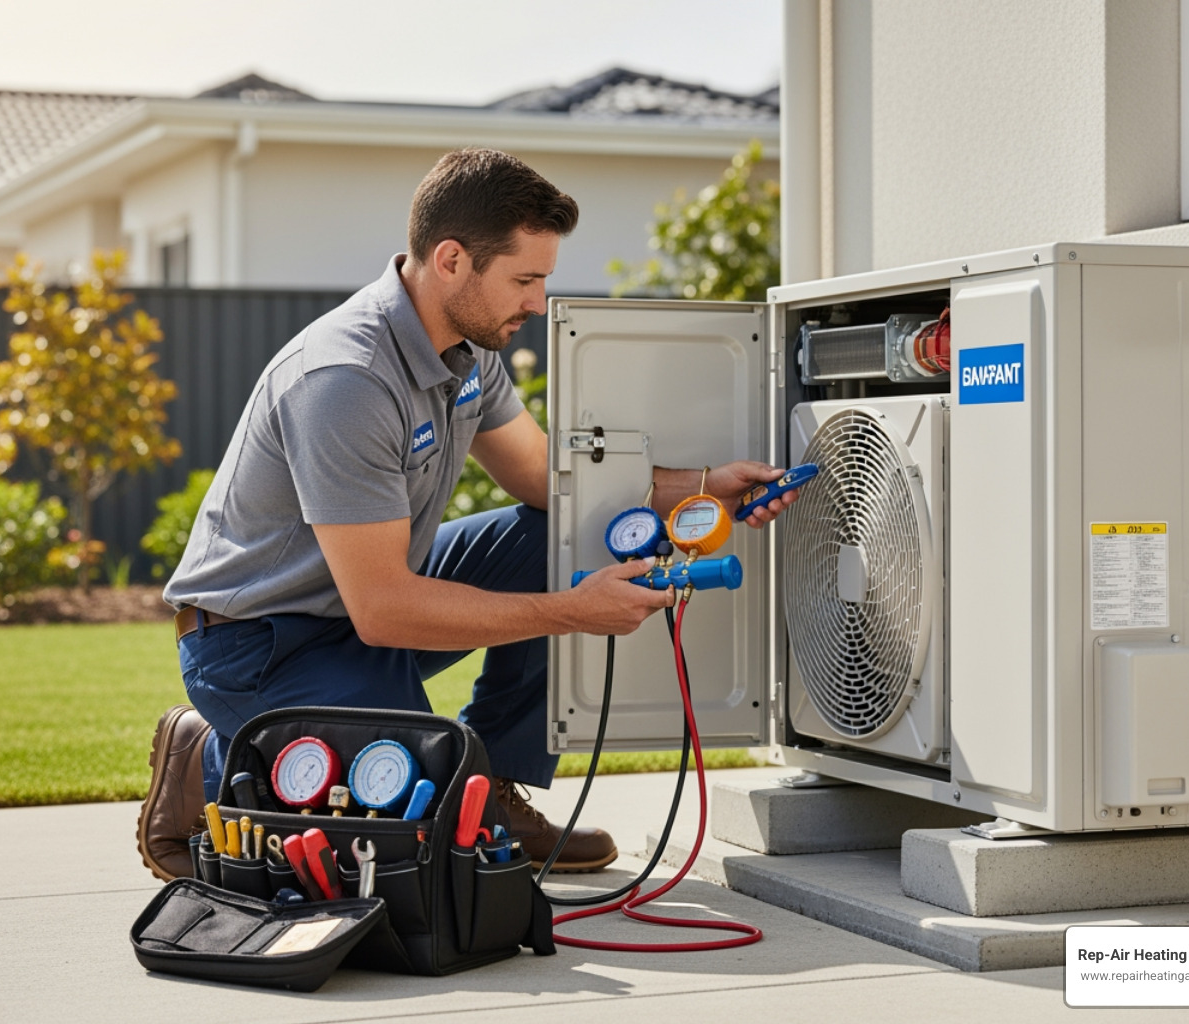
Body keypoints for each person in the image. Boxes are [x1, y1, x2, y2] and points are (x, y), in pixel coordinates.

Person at [136, 148, 798, 881]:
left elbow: (549, 482)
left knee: (559, 534)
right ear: (451, 260)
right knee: (419, 841)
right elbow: (386, 609)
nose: (538, 303)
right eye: (524, 280)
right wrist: (571, 611)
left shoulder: (466, 353)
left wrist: (707, 486)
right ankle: (216, 752)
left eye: (543, 280)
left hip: (362, 609)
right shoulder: (345, 380)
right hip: (261, 643)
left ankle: (494, 786)